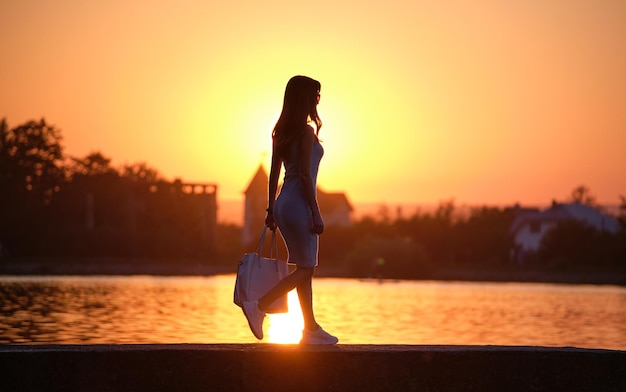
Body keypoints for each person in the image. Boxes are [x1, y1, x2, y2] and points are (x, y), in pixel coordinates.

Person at [242, 75, 338, 345]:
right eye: (315, 94)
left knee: (303, 266)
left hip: (285, 204)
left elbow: (274, 174)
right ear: (304, 98)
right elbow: (306, 177)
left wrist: (272, 209)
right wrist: (316, 212)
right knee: (306, 269)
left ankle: (310, 329)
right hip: (299, 205)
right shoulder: (306, 132)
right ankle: (259, 305)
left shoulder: (280, 130)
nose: (317, 99)